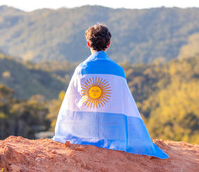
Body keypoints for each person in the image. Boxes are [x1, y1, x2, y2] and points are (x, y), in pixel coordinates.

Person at [53, 23, 168, 159]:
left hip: (84, 132)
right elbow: (126, 104)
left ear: (88, 44)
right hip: (114, 135)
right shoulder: (118, 71)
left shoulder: (81, 69)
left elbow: (71, 103)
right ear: (108, 44)